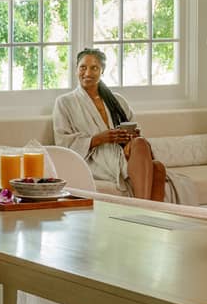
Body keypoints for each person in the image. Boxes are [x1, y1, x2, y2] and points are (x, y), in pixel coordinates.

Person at [52, 48, 167, 201]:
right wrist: (100, 138)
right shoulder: (65, 102)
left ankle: (144, 209)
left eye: (94, 68)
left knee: (150, 157)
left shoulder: (117, 100)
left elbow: (133, 127)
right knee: (156, 168)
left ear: (102, 71)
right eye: (83, 67)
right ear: (76, 70)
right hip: (94, 157)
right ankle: (144, 207)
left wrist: (130, 138)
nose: (87, 73)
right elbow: (63, 143)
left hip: (121, 152)